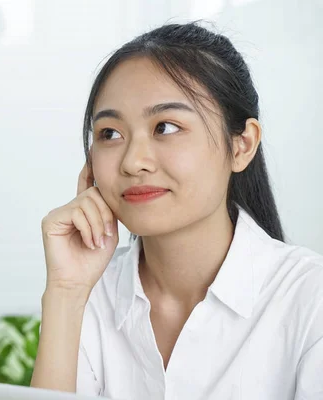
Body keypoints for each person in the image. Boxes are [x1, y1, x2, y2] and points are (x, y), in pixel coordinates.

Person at [30, 22, 323, 399]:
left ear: (242, 145)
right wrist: (66, 293)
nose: (133, 162)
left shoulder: (310, 300)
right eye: (110, 134)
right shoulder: (88, 294)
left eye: (165, 127)